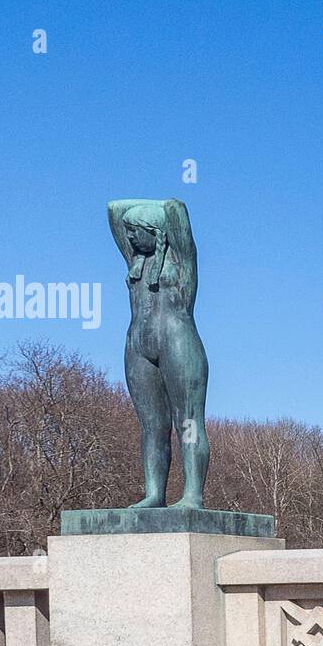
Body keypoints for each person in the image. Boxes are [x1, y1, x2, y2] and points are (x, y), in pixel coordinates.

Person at [107, 198, 210, 508]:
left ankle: (193, 494)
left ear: (157, 231)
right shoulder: (134, 261)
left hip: (178, 341)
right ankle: (154, 494)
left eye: (137, 231)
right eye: (129, 233)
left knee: (187, 421)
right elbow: (113, 209)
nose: (131, 238)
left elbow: (176, 211)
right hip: (137, 344)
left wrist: (162, 214)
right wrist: (131, 223)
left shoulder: (181, 260)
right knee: (152, 426)